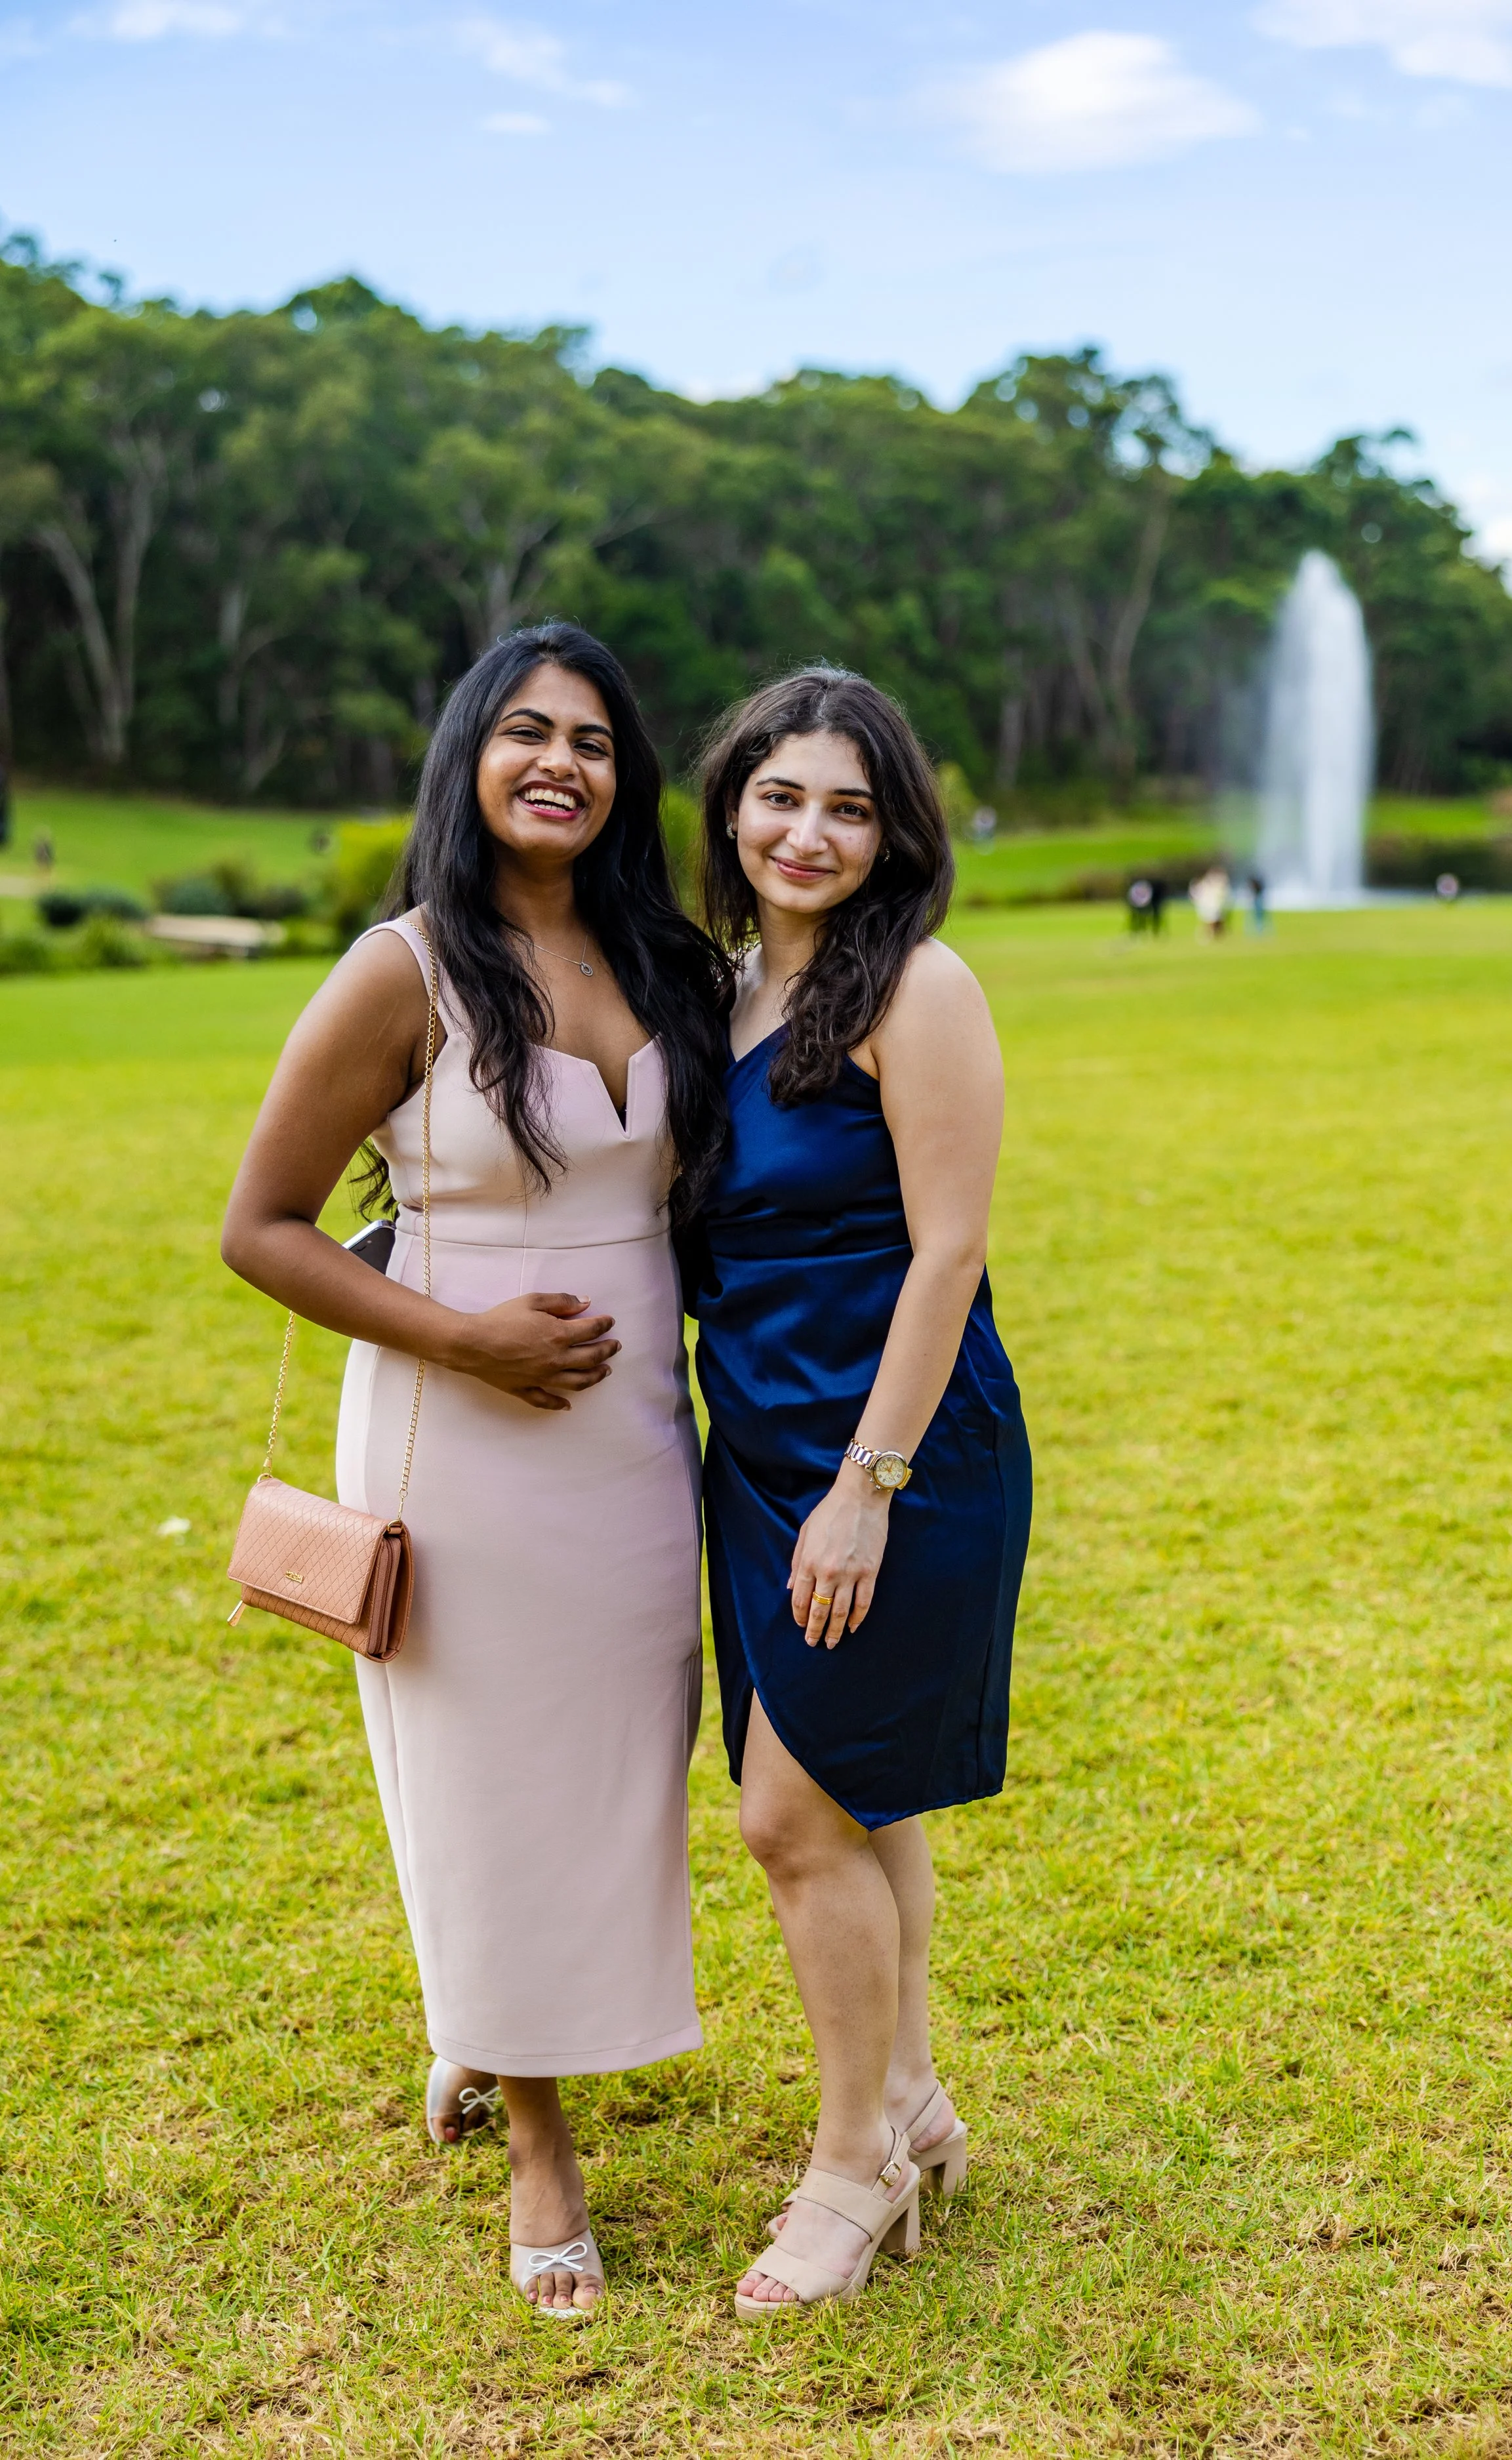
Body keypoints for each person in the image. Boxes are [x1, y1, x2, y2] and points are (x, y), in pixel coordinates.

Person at [221, 622, 729, 2318]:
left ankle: (487, 2013)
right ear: (469, 756)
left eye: (591, 738)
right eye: (525, 731)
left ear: (622, 777)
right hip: (467, 1444)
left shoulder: (661, 952)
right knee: (490, 1774)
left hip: (636, 1439)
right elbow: (261, 1227)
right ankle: (534, 2132)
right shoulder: (405, 965)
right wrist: (465, 1340)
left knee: (620, 1759)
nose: (559, 762)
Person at [685, 668, 1032, 2319]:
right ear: (730, 803)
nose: (806, 832)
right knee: (856, 1789)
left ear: (893, 830)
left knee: (787, 1813)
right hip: (752, 1449)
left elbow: (947, 1251)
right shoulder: (724, 990)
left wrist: (866, 1487)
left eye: (846, 804)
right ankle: (908, 2103)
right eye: (779, 795)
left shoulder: (921, 987)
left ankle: (846, 2172)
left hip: (891, 1451)